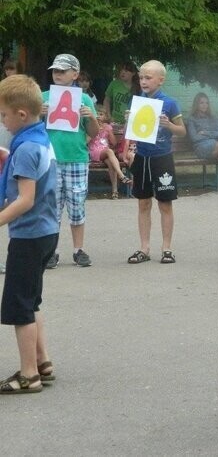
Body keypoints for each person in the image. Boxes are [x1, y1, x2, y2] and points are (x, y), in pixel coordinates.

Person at [0, 74, 59, 394]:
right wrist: (8, 158)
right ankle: (42, 361)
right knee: (31, 300)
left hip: (29, 235)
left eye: (4, 115)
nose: (3, 121)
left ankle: (28, 375)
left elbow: (25, 199)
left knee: (19, 307)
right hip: (46, 232)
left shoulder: (24, 148)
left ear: (21, 114)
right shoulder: (38, 139)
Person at [42, 54, 99, 269]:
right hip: (51, 159)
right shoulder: (43, 97)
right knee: (52, 207)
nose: (57, 74)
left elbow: (93, 132)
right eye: (55, 70)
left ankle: (78, 249)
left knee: (77, 205)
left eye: (63, 71)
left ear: (75, 74)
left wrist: (91, 118)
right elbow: (29, 125)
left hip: (76, 158)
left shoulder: (83, 99)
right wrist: (38, 114)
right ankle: (51, 251)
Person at [126, 60, 186, 265]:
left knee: (165, 203)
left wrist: (168, 124)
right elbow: (132, 131)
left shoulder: (169, 103)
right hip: (142, 157)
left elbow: (182, 130)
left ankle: (166, 248)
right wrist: (128, 126)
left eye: (148, 78)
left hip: (162, 158)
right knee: (143, 203)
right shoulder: (137, 101)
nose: (143, 81)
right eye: (141, 77)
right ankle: (144, 248)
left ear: (161, 80)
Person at [186, 92, 218, 192]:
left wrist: (205, 133)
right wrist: (213, 134)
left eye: (206, 103)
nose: (204, 105)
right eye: (201, 103)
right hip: (201, 148)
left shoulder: (213, 118)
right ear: (196, 104)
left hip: (215, 146)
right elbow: (194, 138)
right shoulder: (191, 119)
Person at [88, 105, 131, 199]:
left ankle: (114, 191)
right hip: (95, 151)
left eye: (101, 114)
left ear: (105, 116)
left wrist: (108, 131)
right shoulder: (90, 125)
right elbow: (86, 141)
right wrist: (95, 131)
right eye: (97, 114)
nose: (99, 116)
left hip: (106, 153)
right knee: (110, 151)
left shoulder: (107, 127)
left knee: (111, 163)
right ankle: (121, 175)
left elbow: (114, 143)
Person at [103, 61, 140, 125]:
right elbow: (107, 100)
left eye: (126, 71)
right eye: (121, 70)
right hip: (114, 121)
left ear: (133, 73)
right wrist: (108, 116)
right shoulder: (114, 84)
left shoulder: (138, 87)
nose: (123, 72)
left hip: (130, 123)